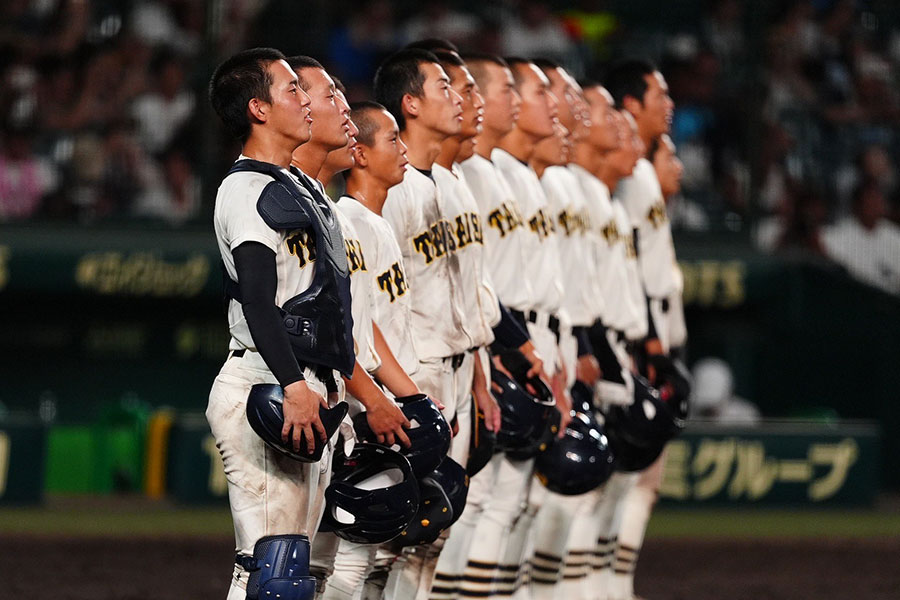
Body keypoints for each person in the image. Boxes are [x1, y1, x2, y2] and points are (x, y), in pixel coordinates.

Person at [207, 47, 352, 600]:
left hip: (301, 384)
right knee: (274, 572)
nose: (306, 98)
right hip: (266, 382)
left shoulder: (302, 187)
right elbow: (258, 301)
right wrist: (295, 385)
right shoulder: (245, 189)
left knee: (297, 573)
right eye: (291, 88)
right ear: (258, 109)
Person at [371, 47, 470, 600]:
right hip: (411, 371)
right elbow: (374, 305)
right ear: (410, 103)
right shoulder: (393, 187)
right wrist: (395, 391)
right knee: (391, 531)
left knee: (433, 526)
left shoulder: (443, 183)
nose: (457, 97)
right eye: (443, 87)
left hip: (451, 365)